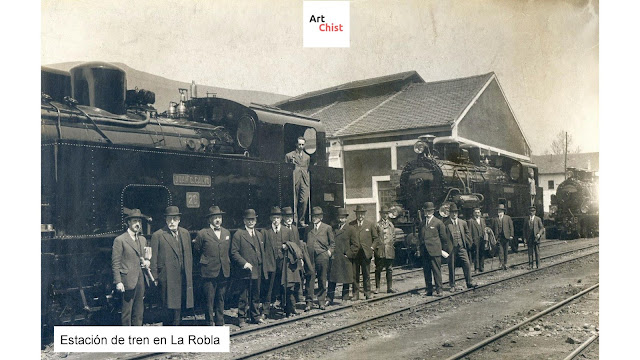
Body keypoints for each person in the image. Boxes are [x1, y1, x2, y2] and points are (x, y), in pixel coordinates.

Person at [150, 206, 194, 326]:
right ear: (166, 220)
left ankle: (177, 326)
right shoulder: (158, 235)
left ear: (179, 219)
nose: (172, 222)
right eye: (169, 219)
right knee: (167, 306)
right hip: (167, 277)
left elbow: (189, 255)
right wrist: (155, 277)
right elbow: (153, 259)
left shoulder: (185, 233)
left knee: (179, 305)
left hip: (182, 276)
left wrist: (189, 274)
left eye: (174, 219)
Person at [193, 206, 230, 326]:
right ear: (210, 220)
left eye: (219, 217)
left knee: (221, 298)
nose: (218, 220)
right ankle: (209, 322)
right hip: (209, 271)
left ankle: (220, 321)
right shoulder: (202, 233)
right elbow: (197, 251)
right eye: (215, 218)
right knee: (209, 299)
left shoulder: (226, 232)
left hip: (223, 270)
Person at [111, 209, 149, 326]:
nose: (137, 224)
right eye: (134, 221)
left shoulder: (142, 239)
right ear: (128, 223)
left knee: (139, 311)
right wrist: (118, 281)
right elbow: (115, 263)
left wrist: (147, 261)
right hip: (127, 281)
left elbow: (145, 256)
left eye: (139, 221)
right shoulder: (120, 240)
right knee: (127, 312)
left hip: (140, 280)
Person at [230, 209, 266, 327]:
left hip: (257, 269)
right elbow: (234, 252)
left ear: (255, 221)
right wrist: (244, 263)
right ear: (244, 221)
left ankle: (255, 316)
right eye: (248, 220)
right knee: (243, 295)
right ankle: (242, 318)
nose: (251, 222)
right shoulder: (239, 234)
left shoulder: (259, 234)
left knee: (256, 294)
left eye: (253, 220)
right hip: (244, 271)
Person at [261, 206, 295, 318]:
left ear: (281, 219)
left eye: (278, 218)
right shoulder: (265, 231)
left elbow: (293, 246)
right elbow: (263, 249)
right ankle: (265, 312)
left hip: (283, 263)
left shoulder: (287, 231)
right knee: (269, 288)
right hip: (270, 263)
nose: (276, 220)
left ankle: (287, 310)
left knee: (284, 287)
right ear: (271, 218)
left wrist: (287, 246)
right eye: (274, 218)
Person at [304, 206, 335, 310]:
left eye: (316, 216)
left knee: (322, 278)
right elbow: (304, 242)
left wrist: (329, 252)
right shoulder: (308, 228)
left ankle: (321, 301)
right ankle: (309, 302)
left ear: (321, 217)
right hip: (310, 256)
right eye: (313, 216)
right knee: (310, 279)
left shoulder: (327, 228)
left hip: (322, 256)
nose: (314, 218)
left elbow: (332, 243)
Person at [443, 204, 477, 291]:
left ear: (457, 213)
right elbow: (443, 237)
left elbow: (467, 233)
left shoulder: (463, 223)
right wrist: (446, 249)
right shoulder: (446, 224)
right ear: (449, 214)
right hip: (452, 249)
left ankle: (469, 282)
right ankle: (452, 285)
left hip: (462, 247)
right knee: (451, 266)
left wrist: (468, 243)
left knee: (467, 264)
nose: (454, 214)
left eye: (455, 212)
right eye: (452, 212)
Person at [282, 206, 312, 305]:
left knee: (299, 276)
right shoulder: (282, 229)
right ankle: (286, 303)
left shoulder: (294, 228)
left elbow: (298, 244)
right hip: (286, 258)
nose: (289, 219)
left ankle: (297, 297)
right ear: (283, 218)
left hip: (295, 256)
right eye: (287, 217)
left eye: (290, 216)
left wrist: (301, 258)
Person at [348, 205, 379, 300]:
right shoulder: (351, 225)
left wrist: (372, 248)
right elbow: (348, 239)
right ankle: (355, 294)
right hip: (355, 254)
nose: (360, 216)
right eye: (358, 214)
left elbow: (376, 238)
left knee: (366, 274)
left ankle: (367, 292)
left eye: (362, 214)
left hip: (366, 253)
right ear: (356, 214)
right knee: (355, 274)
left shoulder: (370, 224)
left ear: (364, 214)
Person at [417, 202, 447, 297]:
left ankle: (439, 290)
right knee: (427, 271)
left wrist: (441, 249)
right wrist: (419, 249)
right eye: (426, 211)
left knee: (436, 271)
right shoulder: (422, 223)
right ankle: (429, 290)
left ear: (433, 211)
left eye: (429, 210)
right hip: (425, 251)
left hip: (435, 251)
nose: (427, 212)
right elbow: (420, 237)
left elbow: (444, 238)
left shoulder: (438, 222)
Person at [327, 208, 354, 305]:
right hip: (335, 258)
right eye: (339, 217)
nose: (341, 219)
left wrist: (349, 254)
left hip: (345, 258)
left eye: (343, 217)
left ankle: (345, 298)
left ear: (346, 218)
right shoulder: (333, 228)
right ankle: (329, 298)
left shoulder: (350, 229)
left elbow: (355, 245)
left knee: (346, 279)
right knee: (332, 279)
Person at [285, 137, 311, 226]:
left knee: (304, 200)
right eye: (299, 144)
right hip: (294, 180)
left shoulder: (307, 157)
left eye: (303, 145)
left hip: (304, 180)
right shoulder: (289, 156)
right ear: (296, 144)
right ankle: (295, 221)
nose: (301, 146)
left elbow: (307, 168)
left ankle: (301, 220)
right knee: (294, 200)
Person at [374, 206, 397, 294]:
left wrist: (390, 245)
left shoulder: (391, 225)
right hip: (380, 251)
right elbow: (375, 238)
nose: (385, 215)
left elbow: (393, 237)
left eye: (387, 213)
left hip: (389, 250)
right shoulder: (377, 225)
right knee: (378, 269)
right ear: (380, 214)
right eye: (384, 213)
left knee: (389, 269)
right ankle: (377, 288)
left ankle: (389, 287)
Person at [492, 204, 514, 270]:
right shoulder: (495, 219)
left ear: (503, 211)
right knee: (500, 251)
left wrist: (511, 235)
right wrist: (493, 237)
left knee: (506, 251)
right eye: (498, 211)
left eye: (501, 211)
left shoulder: (507, 218)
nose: (499, 212)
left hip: (506, 237)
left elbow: (511, 227)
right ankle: (501, 263)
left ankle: (505, 263)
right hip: (499, 237)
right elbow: (493, 228)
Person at [467, 207, 487, 272]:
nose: (477, 214)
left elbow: (484, 229)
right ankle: (477, 268)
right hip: (475, 240)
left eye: (478, 212)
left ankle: (482, 267)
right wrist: (471, 241)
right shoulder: (471, 221)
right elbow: (469, 232)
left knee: (482, 253)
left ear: (480, 213)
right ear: (473, 213)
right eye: (476, 212)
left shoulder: (482, 220)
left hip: (482, 239)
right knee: (476, 254)